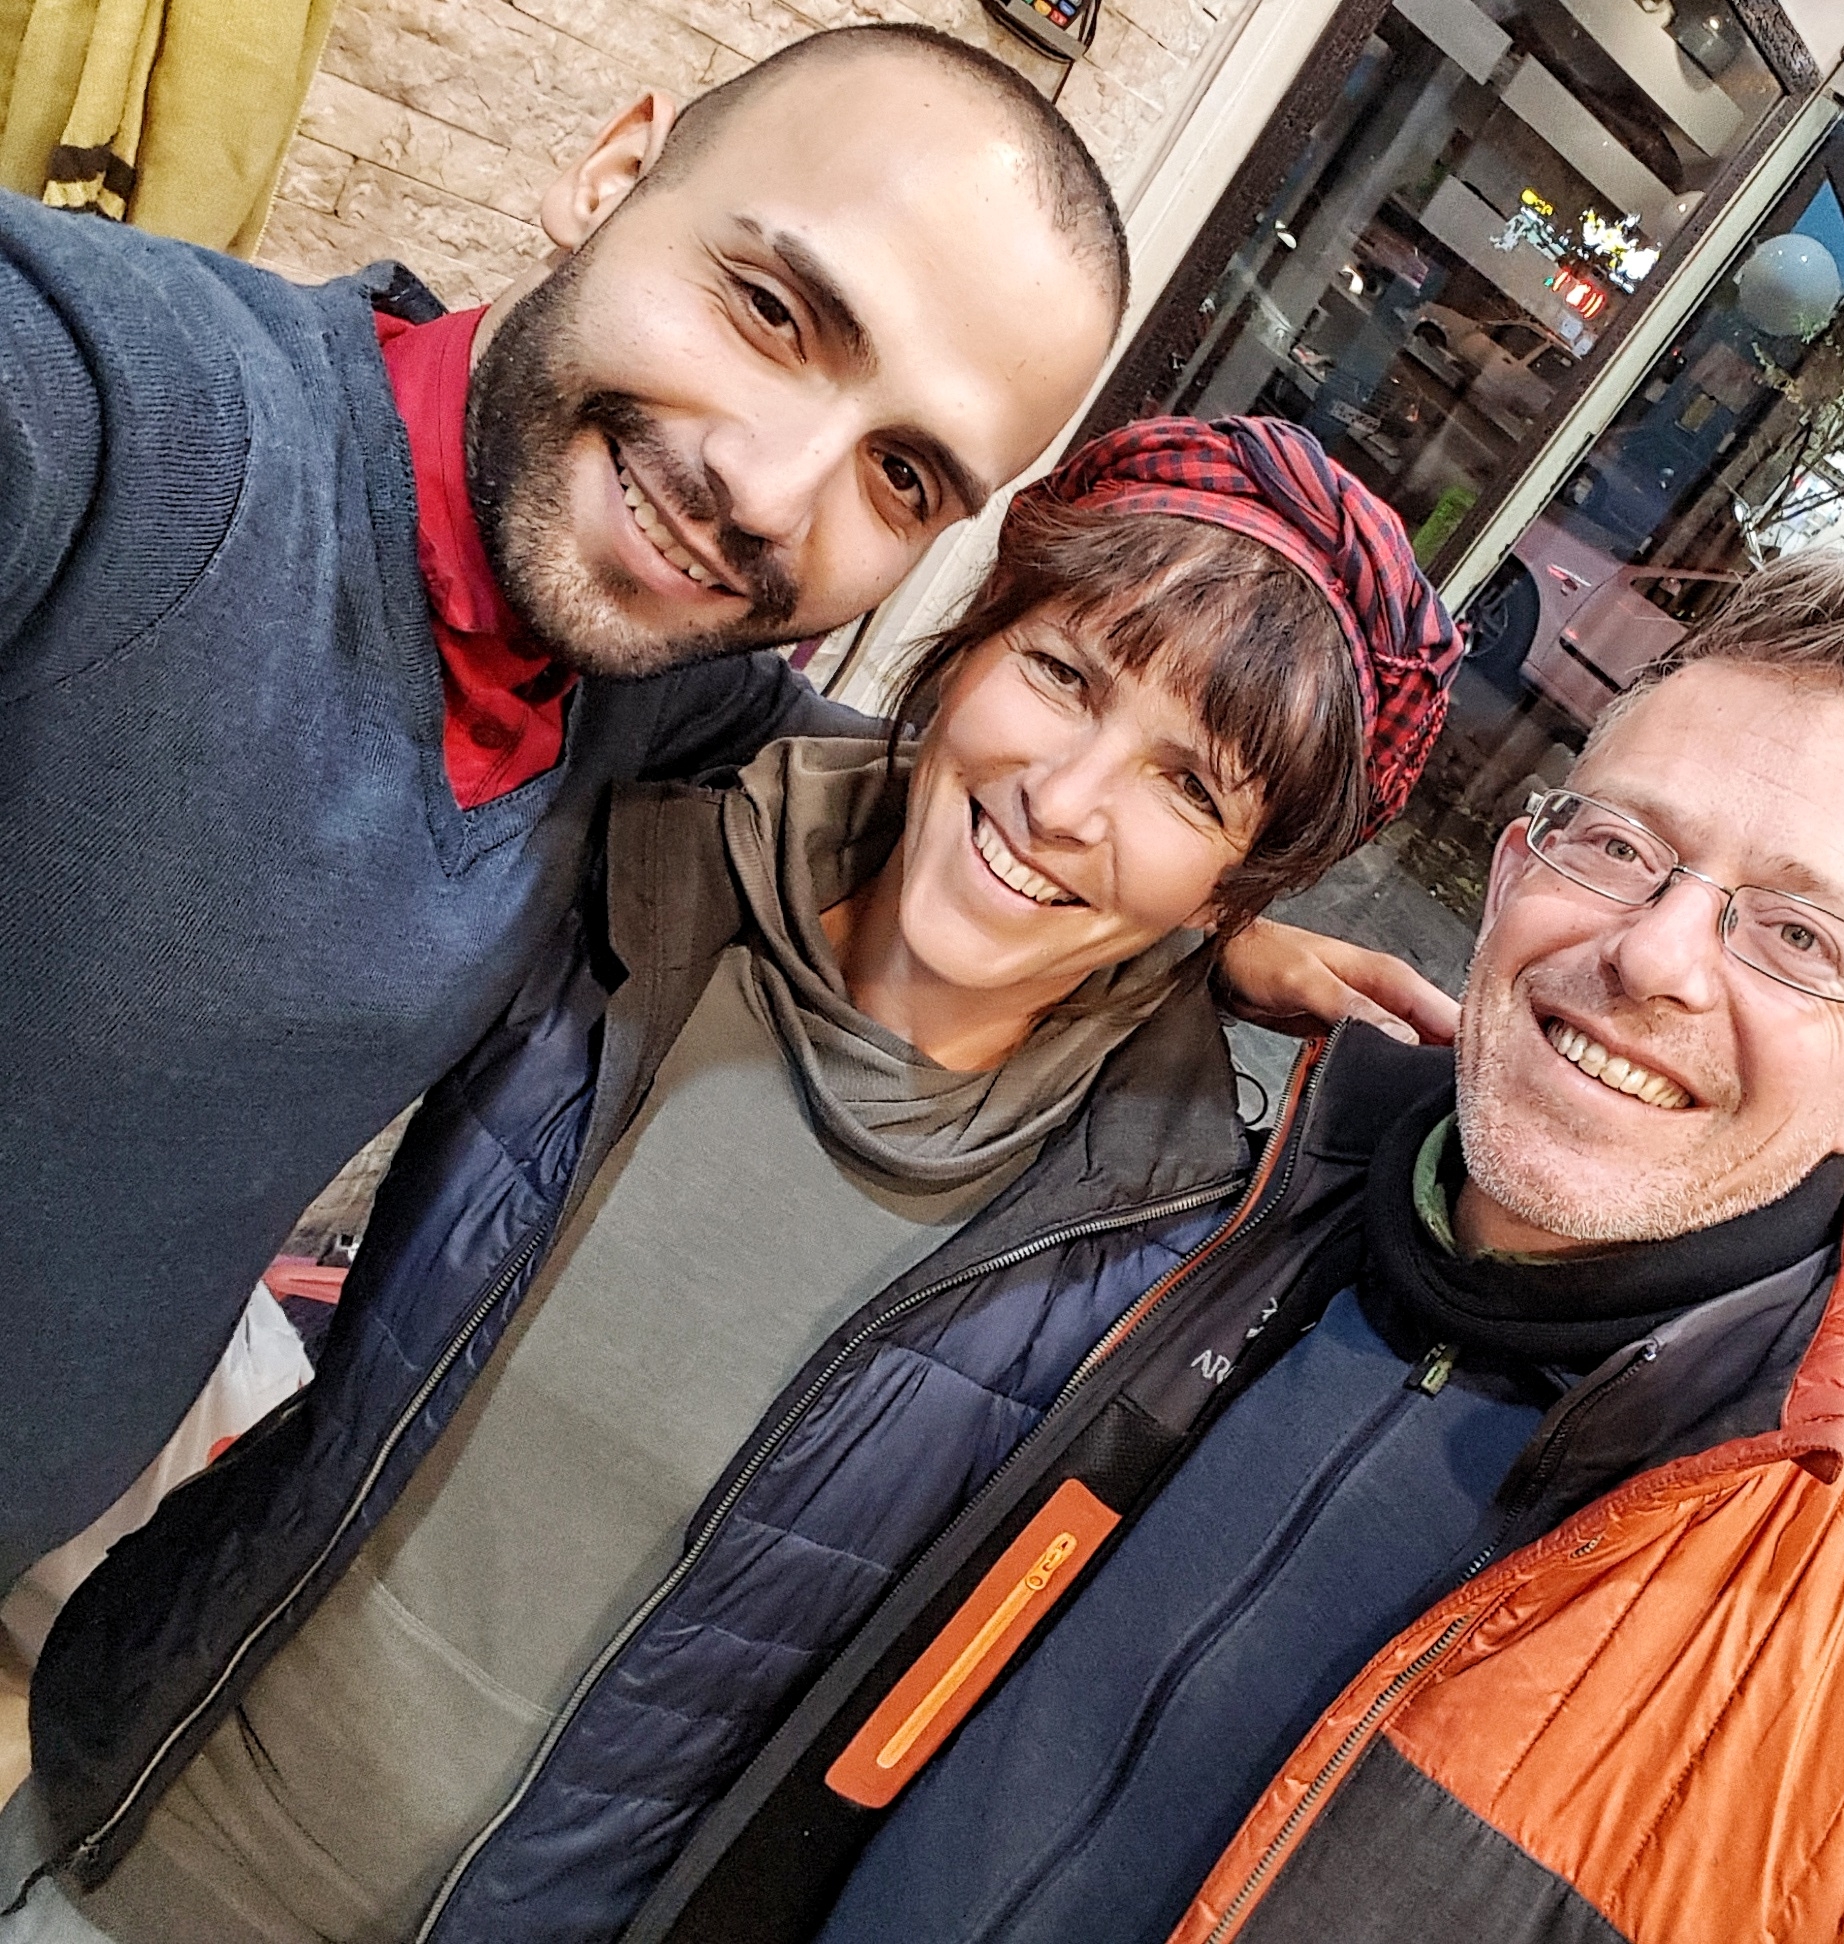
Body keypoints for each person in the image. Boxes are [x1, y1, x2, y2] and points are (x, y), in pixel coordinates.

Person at [0, 23, 1440, 1585]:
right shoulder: (119, 418)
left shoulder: (651, 683)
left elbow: (936, 787)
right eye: (770, 312)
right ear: (611, 170)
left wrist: (1202, 935)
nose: (765, 490)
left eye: (902, 475)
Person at [0, 417, 1463, 1944]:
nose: (1066, 798)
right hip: (127, 1815)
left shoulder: (1159, 1238)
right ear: (971, 640)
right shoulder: (651, 860)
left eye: (1191, 789)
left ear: (1237, 885)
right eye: (1063, 675)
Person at [622, 550, 1844, 1944]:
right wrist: (1183, 935)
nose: (1656, 956)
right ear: (1516, 872)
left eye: (1797, 938)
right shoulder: (1193, 1189)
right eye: (1619, 848)